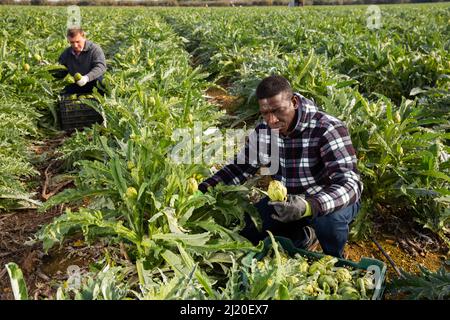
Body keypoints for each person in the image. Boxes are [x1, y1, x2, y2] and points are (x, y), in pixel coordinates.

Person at [198, 75, 363, 258]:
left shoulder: (327, 129)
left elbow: (350, 184)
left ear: (294, 102)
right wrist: (203, 190)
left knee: (329, 222)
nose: (272, 120)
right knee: (249, 231)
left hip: (325, 201)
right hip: (287, 202)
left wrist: (310, 205)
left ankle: (335, 258)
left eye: (277, 111)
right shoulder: (264, 131)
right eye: (265, 113)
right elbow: (239, 168)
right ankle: (305, 237)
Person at [58, 28, 106, 95]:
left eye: (78, 41)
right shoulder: (66, 53)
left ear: (84, 37)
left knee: (101, 85)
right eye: (72, 42)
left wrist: (87, 78)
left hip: (93, 81)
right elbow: (61, 71)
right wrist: (49, 68)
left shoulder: (94, 49)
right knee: (63, 94)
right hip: (77, 83)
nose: (75, 45)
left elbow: (100, 67)